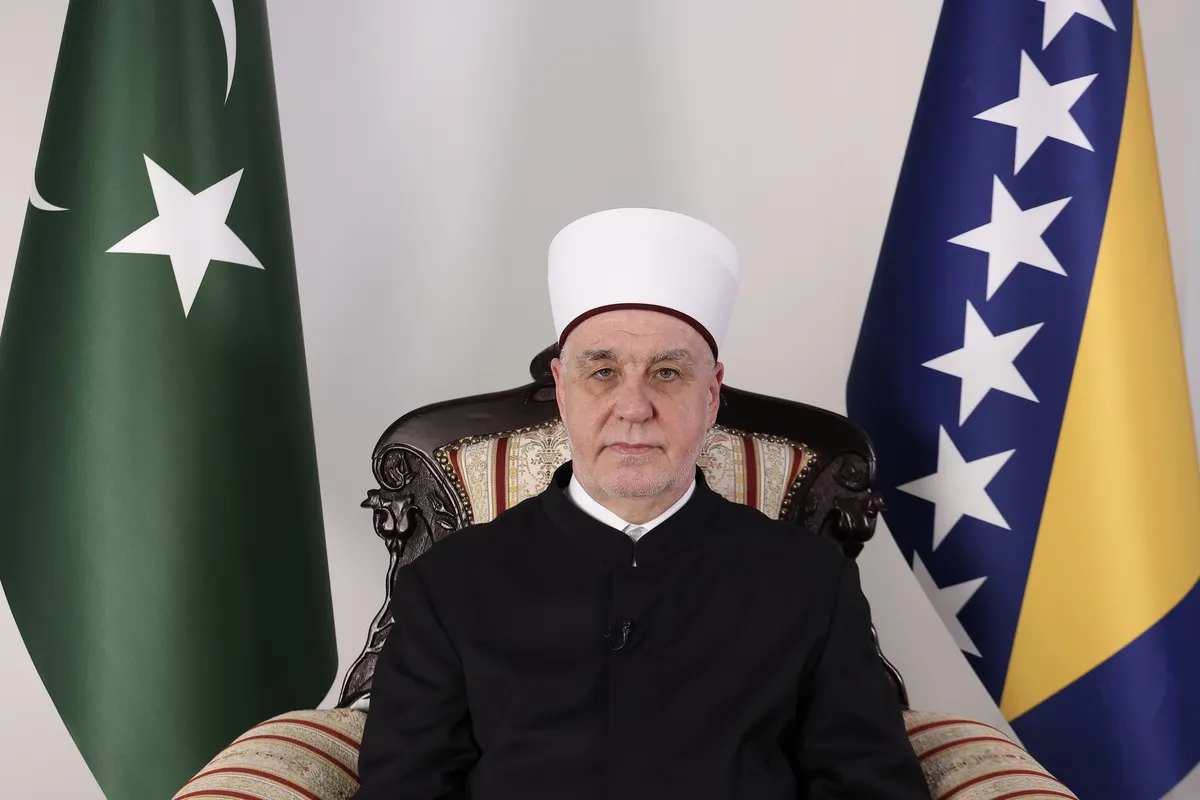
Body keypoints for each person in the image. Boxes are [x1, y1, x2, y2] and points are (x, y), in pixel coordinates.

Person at [352, 208, 929, 799]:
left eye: (668, 373)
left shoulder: (811, 581)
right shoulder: (449, 585)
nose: (634, 407)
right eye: (603, 372)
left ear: (711, 395)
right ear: (562, 390)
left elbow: (874, 789)